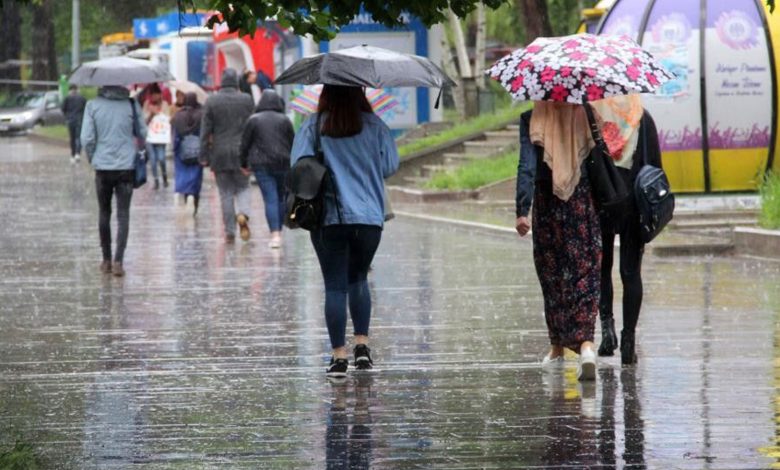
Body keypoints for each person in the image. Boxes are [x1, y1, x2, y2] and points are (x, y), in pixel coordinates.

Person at [290, 85, 399, 378]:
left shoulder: (313, 125)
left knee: (335, 286)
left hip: (329, 217)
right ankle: (362, 348)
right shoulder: (375, 124)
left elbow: (298, 166)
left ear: (325, 93)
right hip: (368, 218)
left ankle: (338, 357)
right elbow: (389, 166)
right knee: (359, 279)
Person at [515, 101, 602, 381]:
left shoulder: (532, 118)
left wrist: (521, 209)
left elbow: (526, 165)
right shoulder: (586, 114)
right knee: (585, 271)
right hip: (582, 202)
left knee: (552, 276)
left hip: (546, 203)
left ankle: (557, 348)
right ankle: (587, 345)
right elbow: (601, 157)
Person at [591, 96, 662, 365]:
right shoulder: (643, 118)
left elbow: (586, 163)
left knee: (602, 268)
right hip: (634, 203)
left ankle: (607, 332)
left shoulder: (593, 117)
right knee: (630, 272)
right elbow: (655, 167)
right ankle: (628, 340)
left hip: (601, 201)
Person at [80, 86, 146, 277]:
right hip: (126, 167)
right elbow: (142, 132)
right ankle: (119, 261)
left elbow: (86, 138)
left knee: (104, 212)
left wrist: (94, 157)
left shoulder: (92, 106)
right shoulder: (132, 105)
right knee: (123, 214)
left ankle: (106, 259)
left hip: (103, 168)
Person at [200, 68, 255, 243]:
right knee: (244, 187)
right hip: (242, 153)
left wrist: (203, 156)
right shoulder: (246, 100)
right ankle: (243, 214)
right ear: (237, 83)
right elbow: (252, 127)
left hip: (220, 153)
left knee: (225, 193)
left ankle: (230, 231)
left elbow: (205, 131)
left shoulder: (212, 101)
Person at [239, 90, 294, 248]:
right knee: (282, 197)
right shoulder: (284, 120)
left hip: (261, 164)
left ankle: (275, 235)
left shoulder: (254, 120)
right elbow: (293, 142)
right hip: (283, 163)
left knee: (270, 199)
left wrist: (243, 163)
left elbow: (245, 144)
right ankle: (280, 231)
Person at [171, 92, 205, 216]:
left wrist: (174, 149)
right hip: (197, 151)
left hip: (182, 152)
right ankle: (193, 198)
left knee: (183, 176)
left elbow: (175, 136)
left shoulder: (178, 116)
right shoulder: (201, 115)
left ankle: (184, 195)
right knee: (195, 177)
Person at [144, 91, 171, 189]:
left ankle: (164, 176)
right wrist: (151, 114)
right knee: (152, 159)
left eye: (156, 94)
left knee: (161, 158)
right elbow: (144, 121)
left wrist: (158, 112)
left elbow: (167, 119)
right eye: (152, 94)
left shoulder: (164, 104)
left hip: (160, 137)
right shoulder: (147, 104)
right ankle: (156, 180)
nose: (154, 96)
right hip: (150, 137)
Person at [61, 84, 87, 163]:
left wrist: (67, 116)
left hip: (70, 120)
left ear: (70, 90)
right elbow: (86, 109)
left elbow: (63, 109)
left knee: (72, 138)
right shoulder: (82, 99)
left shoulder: (67, 98)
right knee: (78, 137)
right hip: (80, 120)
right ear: (77, 89)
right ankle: (78, 154)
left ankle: (72, 154)